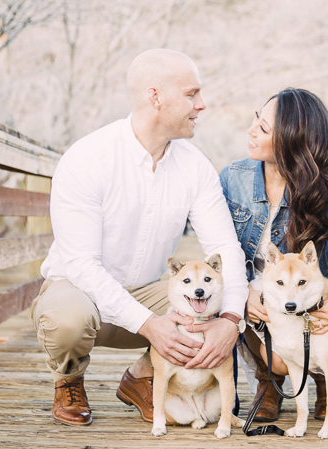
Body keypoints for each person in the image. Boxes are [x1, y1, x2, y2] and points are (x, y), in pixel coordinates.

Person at [32, 49, 248, 426]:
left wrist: (230, 319)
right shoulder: (87, 159)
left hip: (149, 288)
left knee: (208, 298)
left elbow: (224, 248)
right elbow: (82, 265)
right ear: (155, 97)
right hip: (80, 291)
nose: (202, 104)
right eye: (191, 94)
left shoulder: (195, 166)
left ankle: (144, 375)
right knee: (68, 320)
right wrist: (150, 325)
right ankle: (68, 379)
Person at [219, 88, 328, 422]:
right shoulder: (232, 179)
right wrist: (241, 292)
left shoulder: (318, 198)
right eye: (257, 118)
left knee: (312, 320)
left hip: (309, 304)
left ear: (290, 142)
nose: (251, 130)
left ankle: (326, 377)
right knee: (276, 349)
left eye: (264, 128)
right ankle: (270, 380)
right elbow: (217, 252)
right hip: (260, 296)